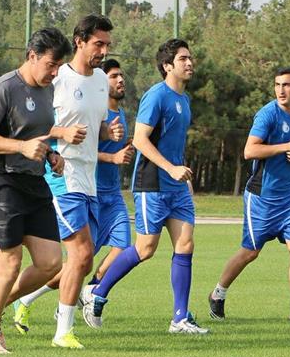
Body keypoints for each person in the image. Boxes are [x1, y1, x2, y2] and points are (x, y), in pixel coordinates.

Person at [81, 39, 209, 335]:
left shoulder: (184, 100)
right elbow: (139, 140)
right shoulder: (157, 96)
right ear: (167, 66)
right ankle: (97, 293)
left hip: (176, 186)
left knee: (186, 244)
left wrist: (183, 178)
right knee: (145, 248)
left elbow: (175, 146)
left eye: (190, 58)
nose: (189, 63)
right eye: (183, 59)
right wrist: (171, 169)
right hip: (152, 183)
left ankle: (180, 318)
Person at [11, 14, 123, 349]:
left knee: (83, 258)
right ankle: (63, 332)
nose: (102, 50)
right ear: (79, 41)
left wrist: (107, 131)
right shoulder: (58, 79)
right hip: (61, 175)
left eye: (106, 44)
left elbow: (94, 125)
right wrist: (62, 133)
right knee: (81, 252)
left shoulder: (101, 80)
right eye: (97, 43)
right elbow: (33, 124)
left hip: (88, 178)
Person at [0, 27, 70, 354]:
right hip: (1, 181)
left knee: (51, 262)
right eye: (51, 65)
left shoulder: (47, 90)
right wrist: (21, 147)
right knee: (9, 263)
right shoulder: (3, 88)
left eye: (58, 67)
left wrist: (51, 154)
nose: (54, 73)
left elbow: (36, 135)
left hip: (33, 181)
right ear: (32, 56)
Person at [207, 67, 290, 324]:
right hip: (261, 197)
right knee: (250, 253)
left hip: (289, 198)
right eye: (277, 85)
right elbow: (249, 151)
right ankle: (217, 294)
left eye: (286, 85)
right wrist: (287, 147)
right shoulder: (267, 114)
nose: (281, 90)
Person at [79, 58, 134, 328]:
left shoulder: (121, 114)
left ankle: (90, 290)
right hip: (93, 193)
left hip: (114, 194)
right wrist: (113, 159)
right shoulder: (97, 113)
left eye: (121, 75)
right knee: (82, 259)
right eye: (114, 76)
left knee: (123, 246)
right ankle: (31, 300)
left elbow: (119, 151)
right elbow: (84, 150)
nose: (120, 80)